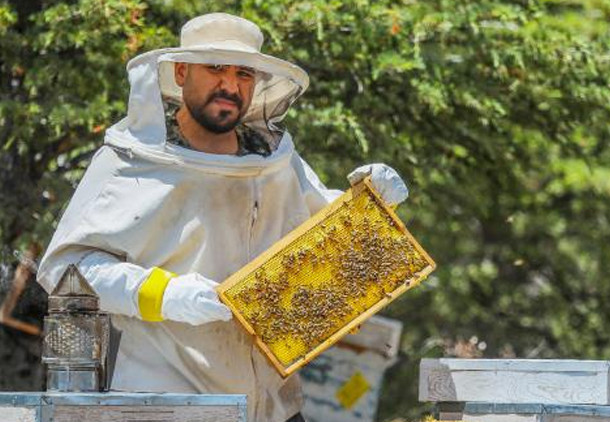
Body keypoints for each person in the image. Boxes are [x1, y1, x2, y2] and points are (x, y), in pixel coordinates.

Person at [37, 13, 408, 422]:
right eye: (215, 68)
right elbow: (65, 269)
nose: (230, 86)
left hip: (276, 408)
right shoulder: (130, 162)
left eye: (243, 74)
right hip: (168, 406)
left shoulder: (275, 162)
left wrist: (371, 201)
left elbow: (324, 239)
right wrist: (168, 295)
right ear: (181, 72)